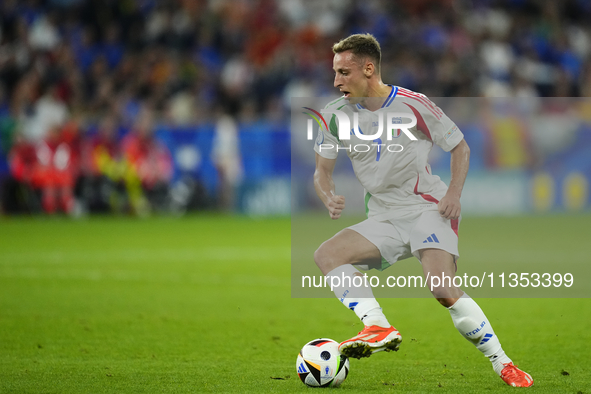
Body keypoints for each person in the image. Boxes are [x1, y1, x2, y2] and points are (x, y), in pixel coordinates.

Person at [313, 33, 533, 388]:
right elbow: (321, 171)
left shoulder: (414, 105)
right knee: (327, 255)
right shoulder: (333, 114)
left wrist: (455, 194)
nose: (336, 81)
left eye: (344, 72)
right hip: (383, 216)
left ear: (369, 69)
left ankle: (502, 363)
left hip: (426, 209)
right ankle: (377, 326)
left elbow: (460, 146)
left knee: (442, 288)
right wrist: (327, 194)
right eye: (335, 73)